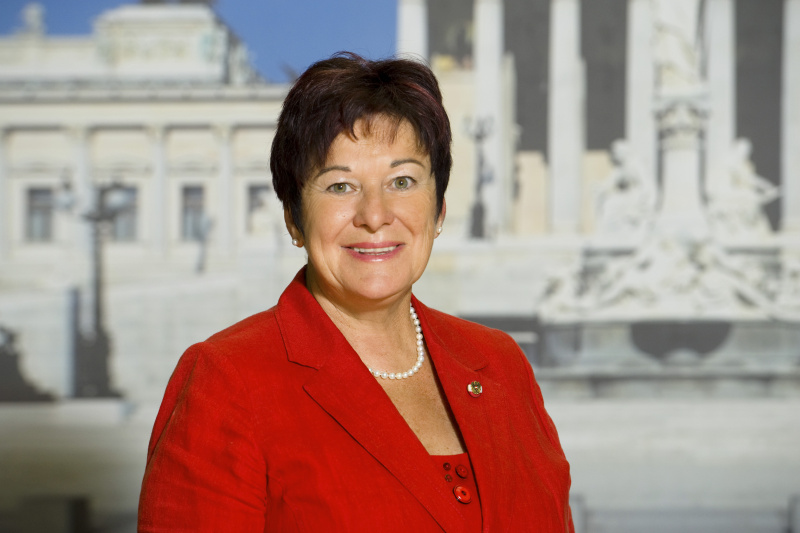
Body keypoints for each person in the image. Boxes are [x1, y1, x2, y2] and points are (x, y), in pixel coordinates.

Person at [138, 52, 573, 532]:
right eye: (341, 186)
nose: (375, 215)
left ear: (439, 211)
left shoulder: (500, 365)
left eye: (402, 181)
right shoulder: (226, 381)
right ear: (294, 218)